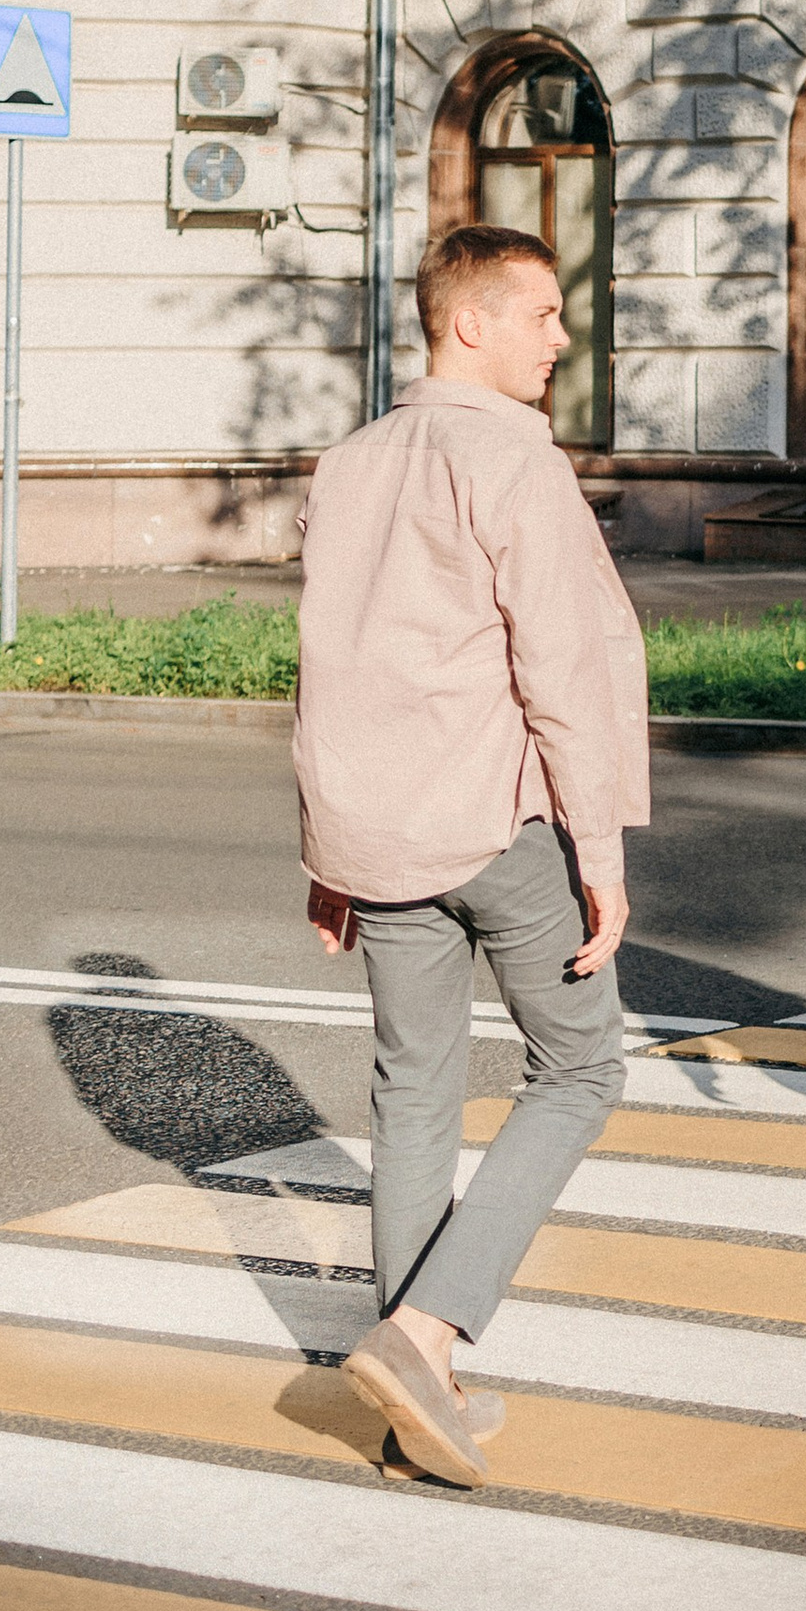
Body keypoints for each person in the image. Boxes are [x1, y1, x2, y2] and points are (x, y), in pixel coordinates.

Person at [293, 220, 647, 1486]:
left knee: (413, 1094)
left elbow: (324, 670)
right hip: (501, 827)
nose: (562, 338)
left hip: (380, 837)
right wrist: (599, 853)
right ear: (469, 322)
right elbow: (558, 670)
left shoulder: (350, 462)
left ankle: (413, 1400)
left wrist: (323, 850)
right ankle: (427, 1329)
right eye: (544, 314)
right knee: (583, 1069)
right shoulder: (512, 461)